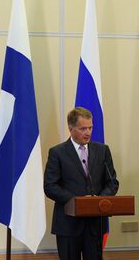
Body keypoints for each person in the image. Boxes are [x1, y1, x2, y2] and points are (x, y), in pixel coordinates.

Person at [44, 107, 119, 260]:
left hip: (95, 224)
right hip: (68, 224)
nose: (88, 132)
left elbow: (112, 182)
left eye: (90, 127)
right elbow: (50, 186)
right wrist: (77, 202)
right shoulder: (57, 153)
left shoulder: (102, 150)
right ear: (71, 129)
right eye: (83, 128)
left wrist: (98, 201)